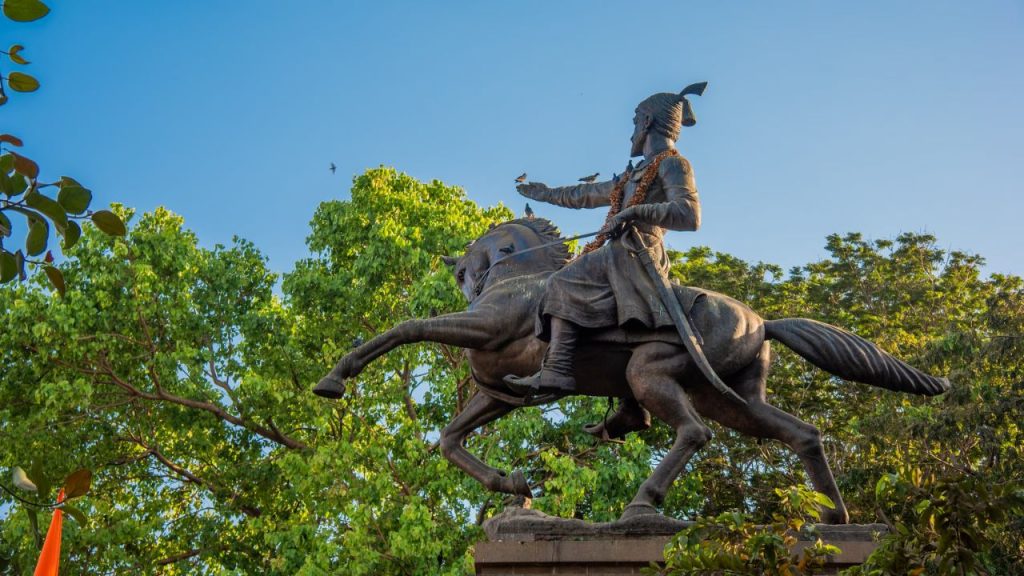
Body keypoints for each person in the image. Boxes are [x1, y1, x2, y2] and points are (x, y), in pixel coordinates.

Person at [504, 83, 707, 395]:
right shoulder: (631, 176)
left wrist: (632, 213)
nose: (631, 133)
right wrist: (542, 193)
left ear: (648, 122)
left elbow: (689, 215)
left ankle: (557, 368)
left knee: (560, 281)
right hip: (616, 253)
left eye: (635, 122)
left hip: (638, 253)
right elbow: (583, 194)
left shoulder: (673, 164)